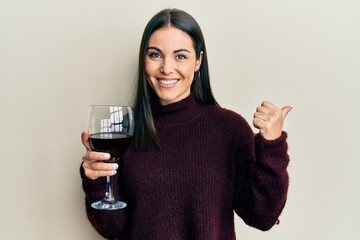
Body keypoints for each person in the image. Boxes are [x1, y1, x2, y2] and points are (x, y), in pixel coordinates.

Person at [81, 8, 292, 240]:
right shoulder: (123, 133)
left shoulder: (230, 129)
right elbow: (114, 229)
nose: (166, 68)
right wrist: (96, 181)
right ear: (144, 60)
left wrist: (272, 146)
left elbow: (261, 216)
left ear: (198, 61)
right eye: (155, 55)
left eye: (180, 56)